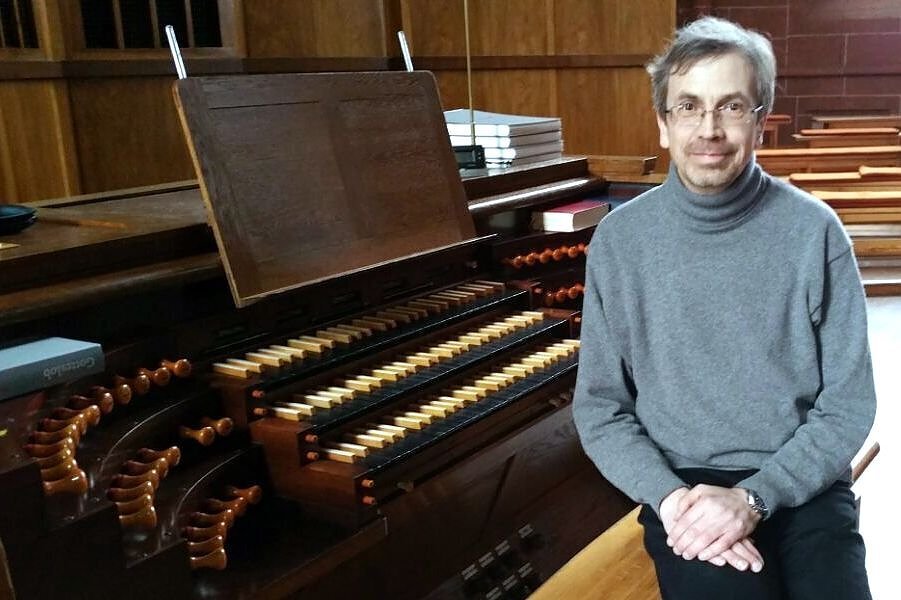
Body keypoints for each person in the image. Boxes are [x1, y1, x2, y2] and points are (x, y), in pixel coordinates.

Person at [572, 16, 876, 600]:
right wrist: (670, 500)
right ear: (663, 124)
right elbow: (601, 409)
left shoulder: (814, 232)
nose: (709, 129)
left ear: (760, 121)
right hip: (682, 485)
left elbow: (849, 405)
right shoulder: (619, 242)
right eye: (689, 107)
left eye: (731, 107)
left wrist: (754, 499)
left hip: (804, 479)